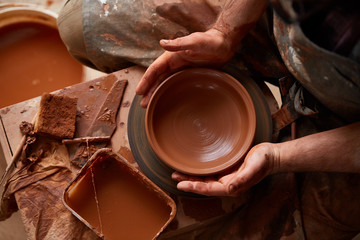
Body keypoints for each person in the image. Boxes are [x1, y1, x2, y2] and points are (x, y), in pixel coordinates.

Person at [58, 0, 360, 238]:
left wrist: (277, 158)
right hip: (277, 30)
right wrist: (225, 32)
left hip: (345, 133)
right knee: (80, 24)